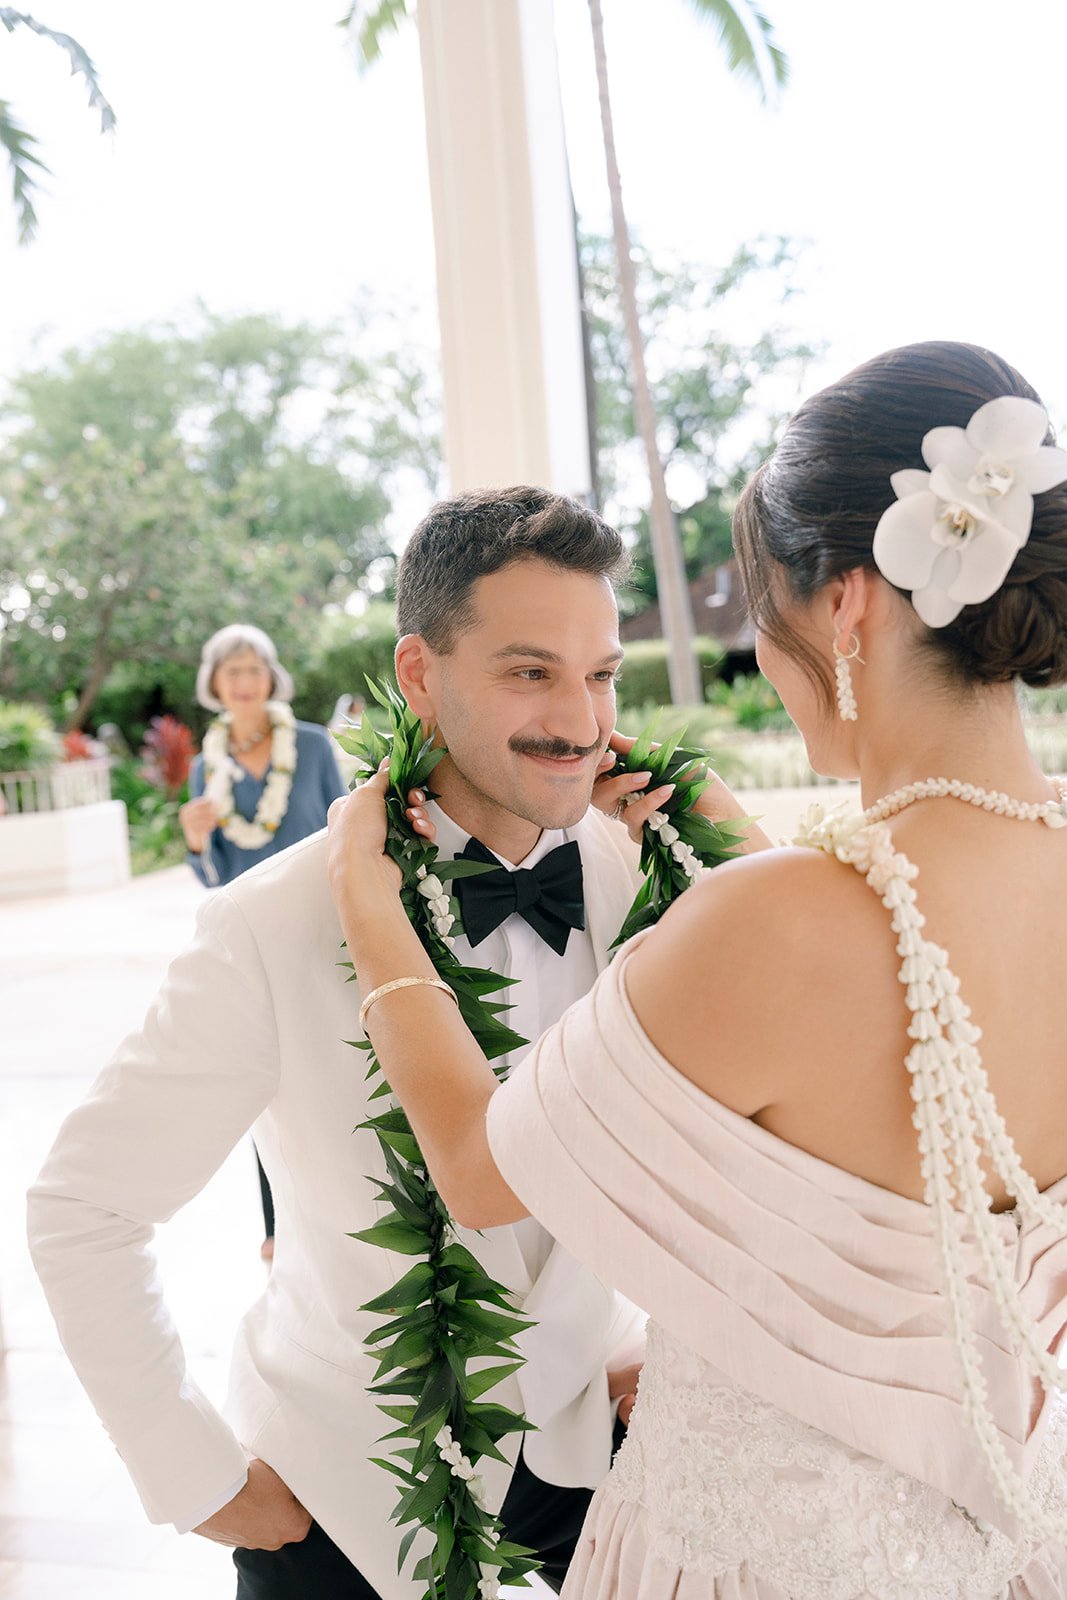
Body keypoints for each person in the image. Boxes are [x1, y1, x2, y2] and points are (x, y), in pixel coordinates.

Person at [327, 342, 1067, 1598]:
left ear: (843, 607)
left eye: (762, 610)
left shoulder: (768, 922)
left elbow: (478, 1165)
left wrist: (366, 903)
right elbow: (909, 1050)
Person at [27, 488, 758, 1600]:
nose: (580, 719)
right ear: (419, 673)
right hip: (348, 1495)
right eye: (529, 671)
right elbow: (83, 1205)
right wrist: (194, 1471)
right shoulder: (272, 922)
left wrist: (677, 1344)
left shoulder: (647, 885)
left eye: (600, 673)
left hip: (605, 1452)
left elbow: (759, 1154)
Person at [179, 622, 348, 1261]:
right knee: (269, 1079)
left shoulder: (307, 744)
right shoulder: (205, 766)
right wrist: (196, 838)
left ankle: (349, 1213)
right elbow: (212, 873)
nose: (245, 682)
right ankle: (279, 1228)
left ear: (270, 677)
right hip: (253, 939)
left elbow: (344, 824)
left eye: (254, 669)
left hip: (323, 925)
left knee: (336, 1064)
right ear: (216, 686)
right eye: (232, 672)